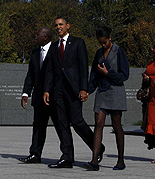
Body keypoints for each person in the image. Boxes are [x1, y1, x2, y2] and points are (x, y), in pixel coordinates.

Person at [43, 18, 103, 169]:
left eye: (61, 24)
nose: (58, 27)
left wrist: (84, 88)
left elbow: (84, 66)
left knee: (76, 121)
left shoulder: (78, 42)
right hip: (58, 90)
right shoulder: (54, 46)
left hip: (74, 88)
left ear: (68, 26)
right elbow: (50, 70)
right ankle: (67, 157)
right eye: (56, 25)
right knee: (62, 124)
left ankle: (97, 147)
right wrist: (46, 90)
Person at [84, 26, 129, 171]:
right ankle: (94, 160)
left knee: (117, 126)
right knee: (98, 124)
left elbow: (124, 75)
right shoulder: (99, 53)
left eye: (105, 42)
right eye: (101, 42)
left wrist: (108, 73)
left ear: (110, 38)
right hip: (102, 92)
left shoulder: (119, 52)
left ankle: (121, 160)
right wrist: (87, 91)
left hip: (116, 91)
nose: (103, 45)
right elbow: (94, 76)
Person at [18, 27, 53, 164]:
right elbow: (31, 75)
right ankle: (35, 154)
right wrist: (26, 92)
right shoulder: (35, 53)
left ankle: (68, 155)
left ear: (45, 37)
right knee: (38, 125)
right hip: (39, 97)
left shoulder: (56, 50)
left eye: (37, 34)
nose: (35, 36)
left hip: (54, 96)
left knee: (62, 127)